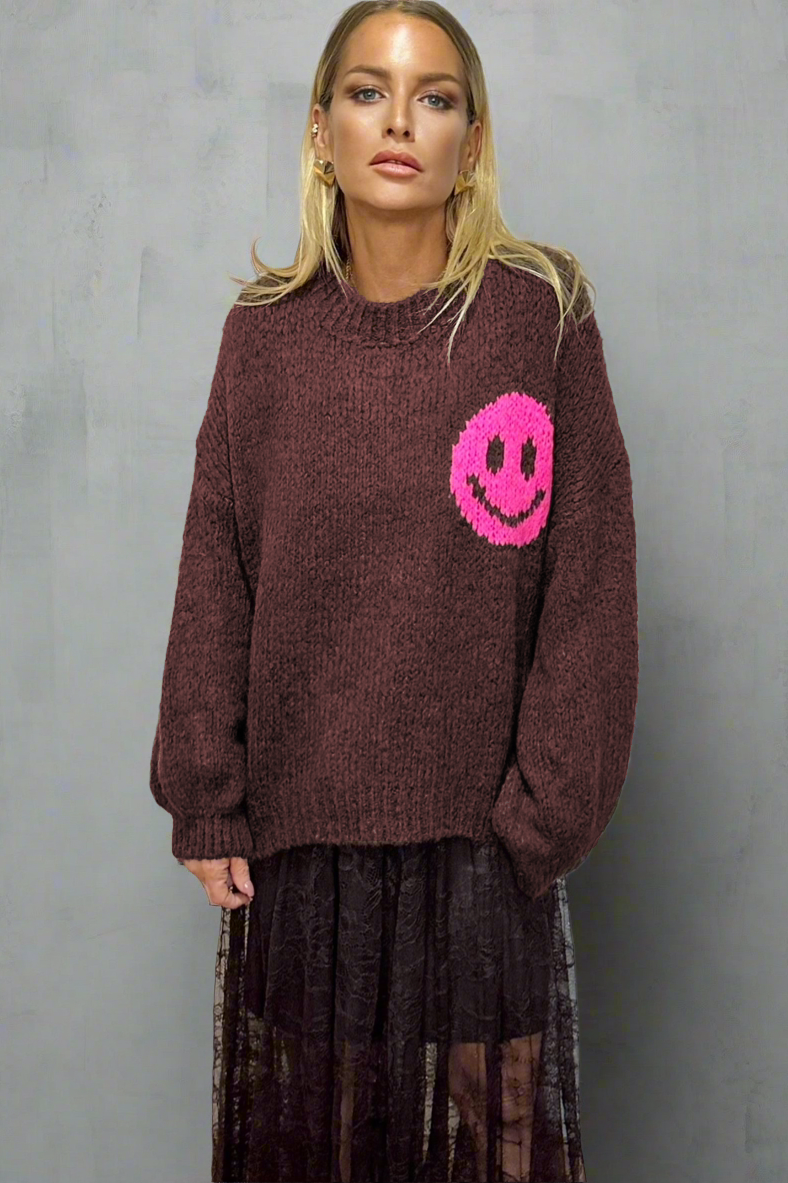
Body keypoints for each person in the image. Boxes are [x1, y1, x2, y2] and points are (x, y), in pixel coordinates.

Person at [148, 2, 639, 1180]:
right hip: (304, 845)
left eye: (435, 97)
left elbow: (590, 576)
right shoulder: (263, 339)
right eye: (367, 92)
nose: (399, 122)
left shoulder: (537, 315)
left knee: (499, 1138)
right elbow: (217, 560)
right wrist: (205, 794)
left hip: (481, 841)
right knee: (318, 1147)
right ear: (321, 133)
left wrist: (542, 815)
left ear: (471, 140)